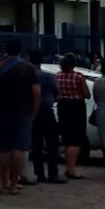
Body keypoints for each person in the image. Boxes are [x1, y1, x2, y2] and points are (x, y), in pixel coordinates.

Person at [0, 39, 40, 194]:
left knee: (0, 149)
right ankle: (13, 184)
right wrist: (34, 112)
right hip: (22, 112)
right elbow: (36, 92)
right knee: (18, 148)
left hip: (1, 111)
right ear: (20, 50)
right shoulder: (28, 68)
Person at [28, 49, 64, 185]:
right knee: (52, 143)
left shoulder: (28, 75)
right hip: (46, 110)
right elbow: (57, 92)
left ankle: (39, 173)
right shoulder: (48, 76)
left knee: (36, 144)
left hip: (31, 111)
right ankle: (53, 173)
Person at [55, 53, 90, 178]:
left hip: (63, 106)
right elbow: (86, 94)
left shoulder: (57, 76)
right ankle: (71, 169)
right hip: (77, 106)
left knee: (67, 137)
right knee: (76, 140)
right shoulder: (79, 76)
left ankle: (68, 167)